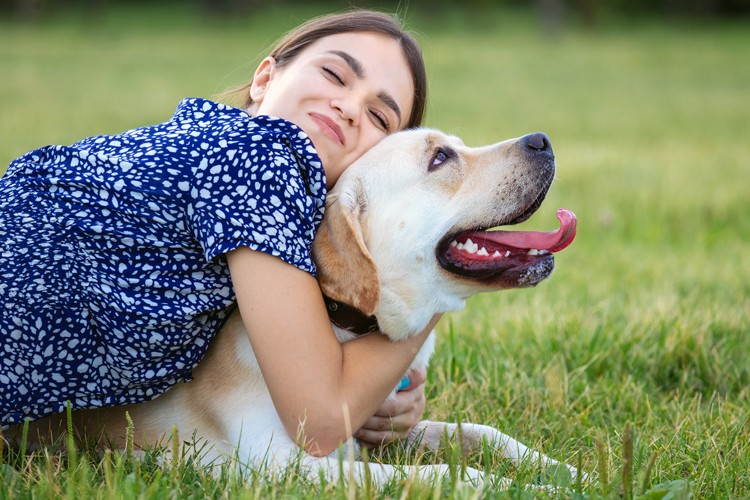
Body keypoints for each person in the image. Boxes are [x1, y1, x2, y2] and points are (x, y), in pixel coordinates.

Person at [0, 9, 436, 456]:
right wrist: (441, 284)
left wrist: (384, 393)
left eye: (380, 117)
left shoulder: (234, 166)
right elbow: (318, 423)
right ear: (265, 78)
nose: (348, 107)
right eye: (333, 73)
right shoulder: (260, 158)